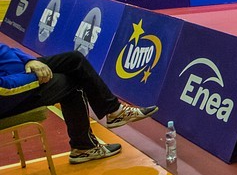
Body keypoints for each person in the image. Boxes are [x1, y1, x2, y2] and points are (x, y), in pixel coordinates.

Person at [0, 45, 158, 164]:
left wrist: (30, 60)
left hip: (16, 70)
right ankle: (84, 147)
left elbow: (3, 49)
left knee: (74, 59)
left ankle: (114, 111)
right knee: (71, 82)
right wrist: (35, 76)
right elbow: (5, 89)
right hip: (9, 94)